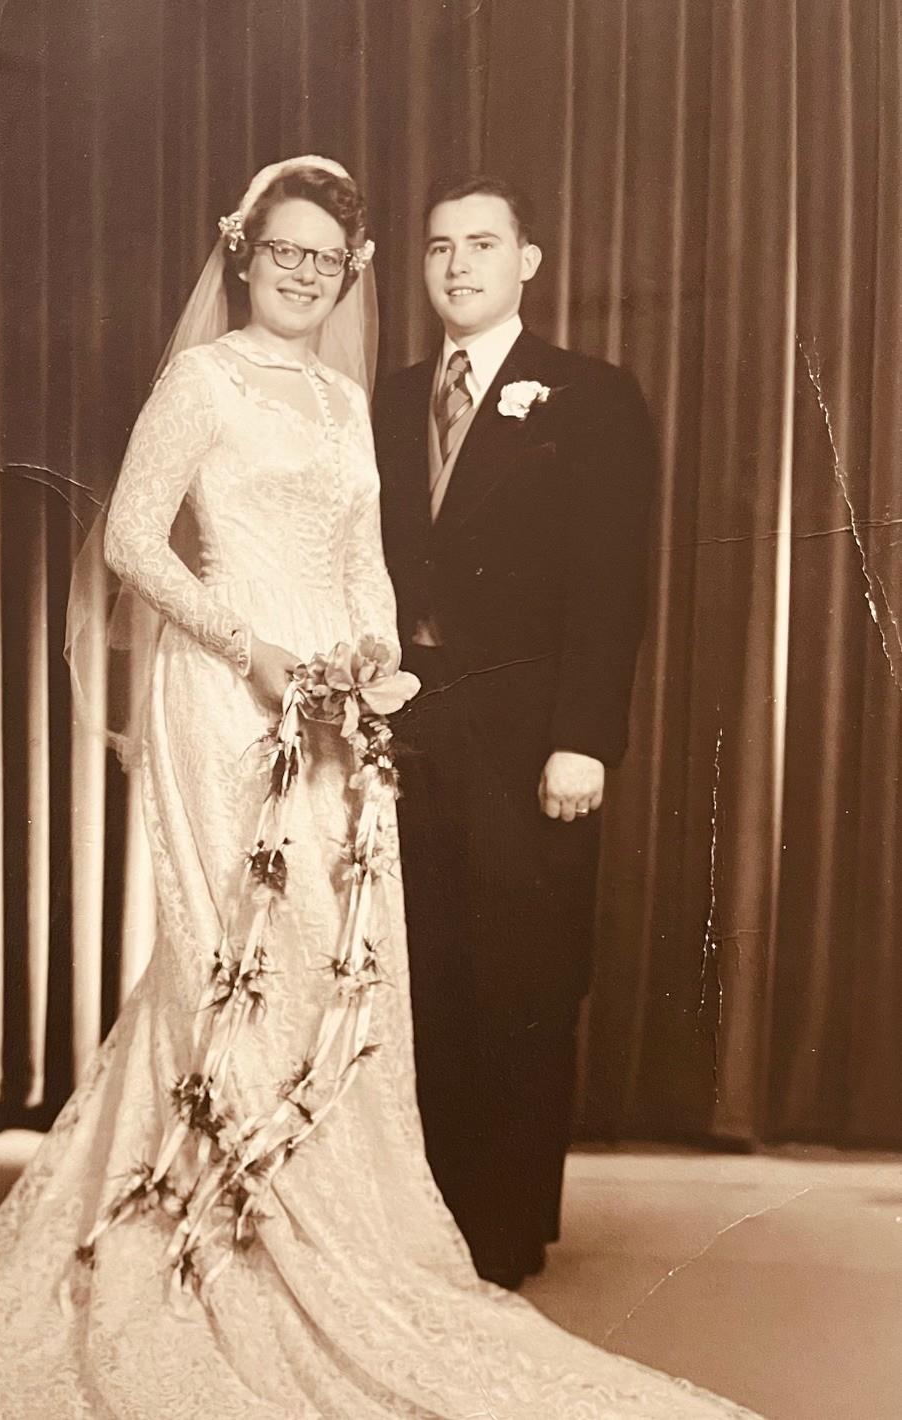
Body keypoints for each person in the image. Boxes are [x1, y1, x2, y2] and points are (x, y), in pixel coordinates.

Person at [0, 156, 757, 1419]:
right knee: (231, 953)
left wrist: (372, 656)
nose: (305, 274)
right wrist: (248, 649)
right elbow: (130, 541)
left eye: (326, 260)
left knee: (335, 954)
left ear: (346, 275)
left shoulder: (339, 400)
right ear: (244, 254)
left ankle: (334, 1229)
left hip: (332, 703)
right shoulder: (202, 381)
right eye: (286, 253)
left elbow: (366, 560)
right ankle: (207, 1219)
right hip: (224, 696)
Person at [374, 174, 657, 1291]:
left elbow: (612, 584)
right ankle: (428, 1220)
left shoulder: (591, 394)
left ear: (527, 262)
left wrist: (584, 735)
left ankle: (503, 1233)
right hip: (408, 732)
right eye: (439, 246)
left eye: (482, 244)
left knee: (525, 977)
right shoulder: (390, 397)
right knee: (429, 975)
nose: (458, 265)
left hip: (533, 734)